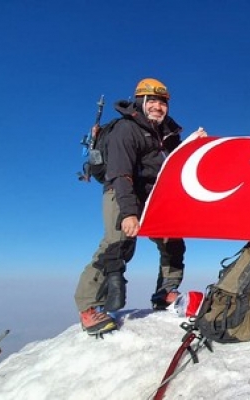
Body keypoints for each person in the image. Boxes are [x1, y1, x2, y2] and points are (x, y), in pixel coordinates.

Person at [74, 78, 187, 337]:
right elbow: (120, 172)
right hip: (122, 190)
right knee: (118, 243)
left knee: (173, 240)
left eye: (162, 102)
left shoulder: (168, 134)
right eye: (153, 101)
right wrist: (128, 213)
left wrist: (193, 143)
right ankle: (88, 306)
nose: (158, 107)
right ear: (141, 102)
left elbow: (177, 163)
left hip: (152, 195)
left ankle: (165, 292)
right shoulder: (127, 129)